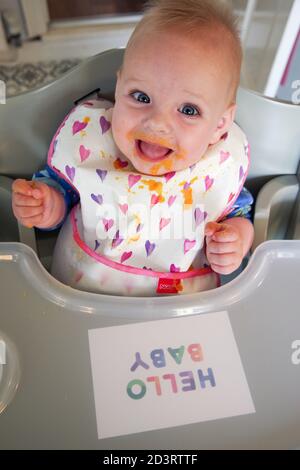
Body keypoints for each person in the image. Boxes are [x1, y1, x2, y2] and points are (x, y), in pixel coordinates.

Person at [12, 0, 254, 296]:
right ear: (119, 87)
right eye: (140, 96)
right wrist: (47, 206)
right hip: (84, 295)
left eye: (189, 110)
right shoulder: (93, 146)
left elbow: (240, 217)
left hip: (177, 311)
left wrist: (236, 242)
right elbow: (65, 194)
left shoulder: (218, 168)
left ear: (219, 125)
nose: (157, 123)